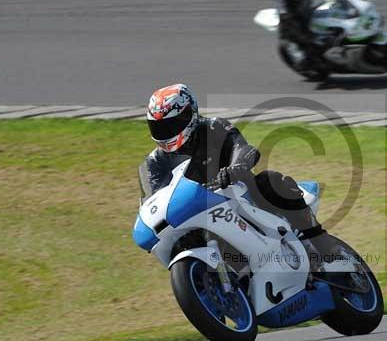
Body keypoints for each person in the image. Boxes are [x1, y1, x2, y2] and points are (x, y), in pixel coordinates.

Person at [138, 83, 336, 267]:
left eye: (171, 124)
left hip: (239, 196)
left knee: (270, 181)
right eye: (159, 127)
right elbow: (157, 199)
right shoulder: (155, 162)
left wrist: (234, 169)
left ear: (190, 114)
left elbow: (243, 148)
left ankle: (322, 244)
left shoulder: (214, 128)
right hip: (197, 215)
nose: (166, 132)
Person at [276, 0, 361, 74]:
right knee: (309, 49)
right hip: (293, 26)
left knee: (335, 10)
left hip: (308, 13)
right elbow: (294, 26)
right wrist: (311, 39)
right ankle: (308, 64)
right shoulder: (284, 6)